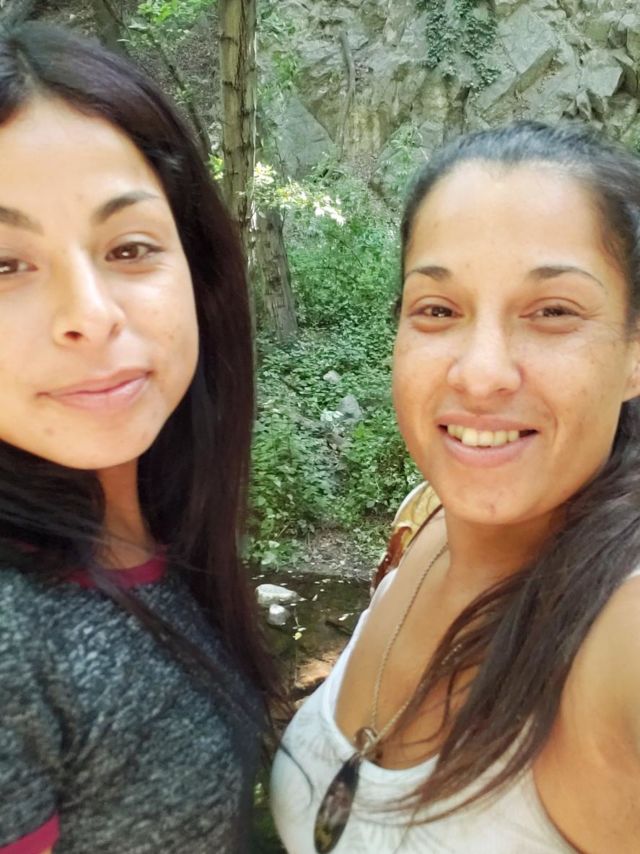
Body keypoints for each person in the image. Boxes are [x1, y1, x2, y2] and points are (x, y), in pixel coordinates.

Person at [271, 120, 640, 853]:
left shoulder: (619, 634)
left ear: (634, 354)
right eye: (438, 310)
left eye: (553, 313)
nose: (480, 373)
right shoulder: (425, 520)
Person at [0, 21, 278, 854]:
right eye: (5, 265)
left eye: (128, 248)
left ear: (197, 271)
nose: (89, 315)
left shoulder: (158, 528)